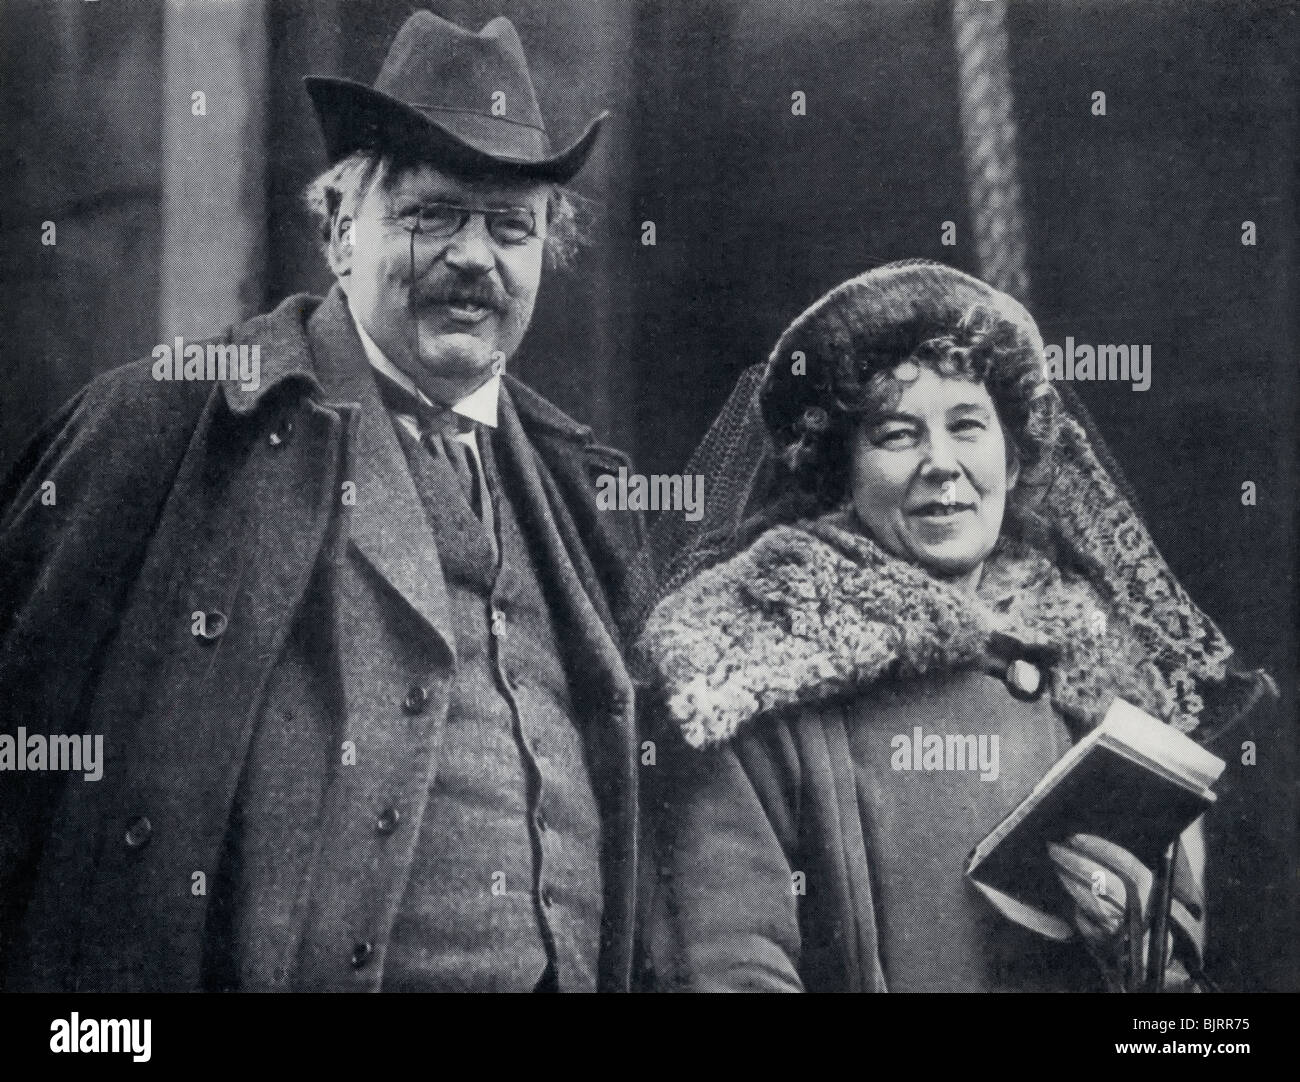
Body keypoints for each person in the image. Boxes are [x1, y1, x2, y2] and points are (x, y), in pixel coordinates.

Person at [0, 11, 651, 992]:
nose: (474, 256)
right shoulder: (175, 424)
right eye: (433, 214)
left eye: (509, 226)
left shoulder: (582, 490)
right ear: (342, 232)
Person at [635, 261, 1274, 992]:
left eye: (968, 425)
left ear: (1013, 454)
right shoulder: (745, 680)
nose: (942, 464)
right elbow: (729, 970)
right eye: (897, 434)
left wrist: (1142, 963)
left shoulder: (1100, 686)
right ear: (839, 469)